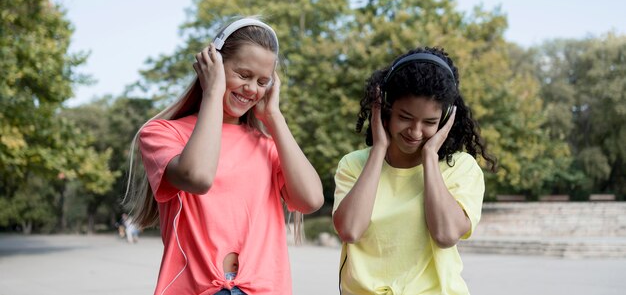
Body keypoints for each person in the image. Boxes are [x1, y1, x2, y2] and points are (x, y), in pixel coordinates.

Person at [125, 16, 324, 295]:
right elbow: (198, 177)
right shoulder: (162, 133)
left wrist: (275, 117)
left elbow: (311, 200)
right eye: (243, 75)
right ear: (213, 65)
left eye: (262, 81)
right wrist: (212, 92)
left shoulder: (268, 145)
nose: (252, 89)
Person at [332, 47, 497, 295]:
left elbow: (445, 234)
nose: (416, 132)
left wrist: (430, 157)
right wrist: (379, 150)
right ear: (385, 109)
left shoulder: (461, 167)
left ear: (445, 119)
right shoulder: (353, 164)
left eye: (429, 122)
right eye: (405, 117)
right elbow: (350, 230)